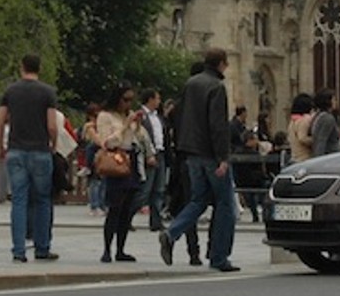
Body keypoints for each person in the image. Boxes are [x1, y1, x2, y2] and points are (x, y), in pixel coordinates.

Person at [161, 46, 237, 272]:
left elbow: (178, 115)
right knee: (225, 204)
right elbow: (218, 125)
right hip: (211, 154)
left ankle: (172, 232)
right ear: (221, 63)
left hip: (190, 153)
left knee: (198, 200)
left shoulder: (191, 83)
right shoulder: (216, 87)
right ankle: (219, 256)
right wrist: (223, 157)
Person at [0, 53, 61, 263]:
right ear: (39, 68)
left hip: (16, 149)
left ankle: (18, 249)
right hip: (40, 150)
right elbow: (52, 125)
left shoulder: (11, 91)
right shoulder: (47, 92)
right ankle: (42, 247)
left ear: (21, 67)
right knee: (42, 200)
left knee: (19, 200)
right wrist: (53, 144)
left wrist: (1, 146)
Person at [93, 84, 147, 263]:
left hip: (130, 158)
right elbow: (107, 142)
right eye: (125, 100)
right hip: (116, 157)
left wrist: (136, 125)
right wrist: (124, 126)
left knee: (127, 209)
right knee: (115, 207)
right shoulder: (105, 116)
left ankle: (121, 249)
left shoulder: (127, 116)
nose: (128, 104)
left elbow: (136, 138)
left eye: (131, 100)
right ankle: (107, 248)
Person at [139, 88, 166, 231]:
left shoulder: (157, 116)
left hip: (160, 153)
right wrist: (148, 154)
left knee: (159, 189)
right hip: (148, 155)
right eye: (157, 98)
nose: (159, 101)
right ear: (150, 99)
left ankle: (156, 220)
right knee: (145, 189)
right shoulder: (141, 115)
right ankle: (127, 216)